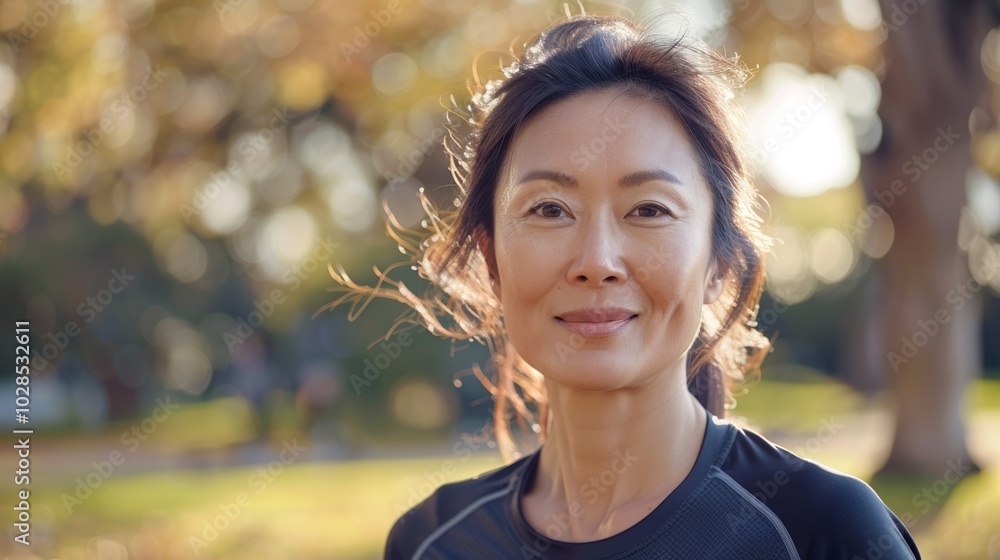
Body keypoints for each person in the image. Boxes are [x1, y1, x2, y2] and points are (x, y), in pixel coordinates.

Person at [324, 11, 921, 560]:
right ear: (492, 261)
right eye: (550, 209)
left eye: (649, 209)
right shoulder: (432, 542)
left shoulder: (822, 532)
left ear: (720, 263)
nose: (596, 261)